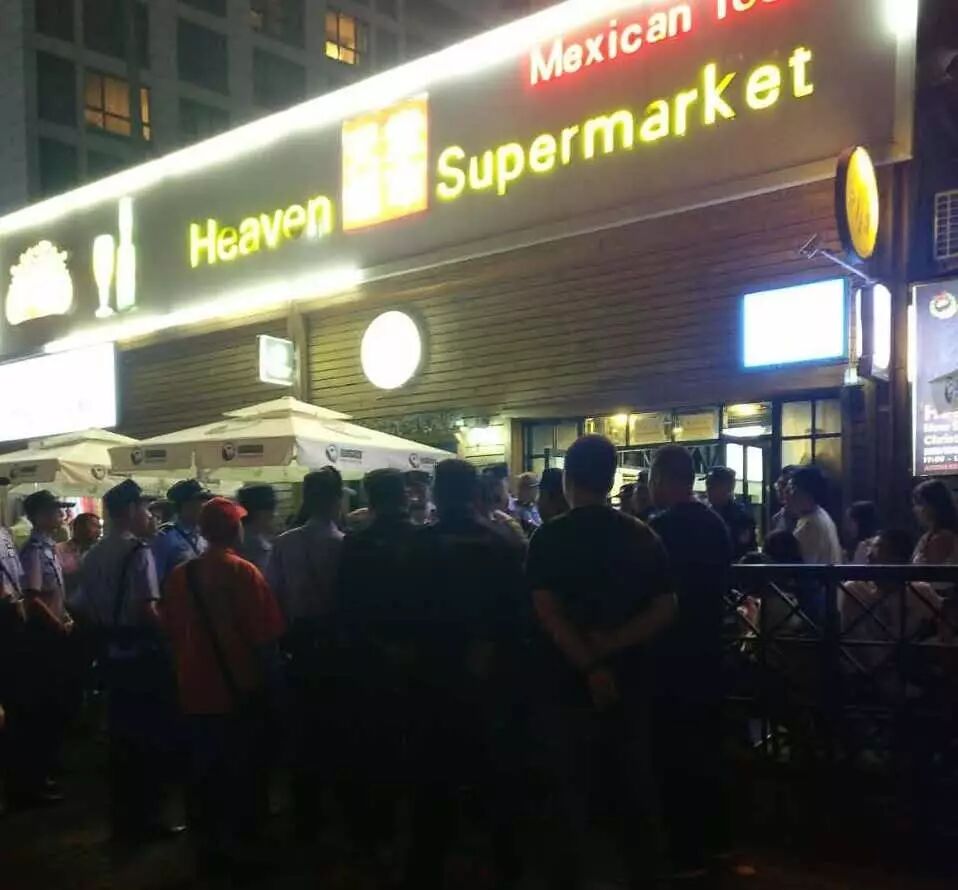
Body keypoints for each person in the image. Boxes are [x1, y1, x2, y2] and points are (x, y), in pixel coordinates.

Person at [528, 435, 675, 890]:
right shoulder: (643, 536)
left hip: (565, 683)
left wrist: (590, 665)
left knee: (570, 793)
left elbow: (548, 612)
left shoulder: (548, 537)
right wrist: (612, 644)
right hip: (630, 681)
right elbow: (665, 607)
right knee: (634, 788)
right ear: (611, 480)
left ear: (568, 480)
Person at [403, 459, 528, 890]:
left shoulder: (418, 546)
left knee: (432, 786)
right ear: (476, 494)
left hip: (432, 679)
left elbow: (404, 616)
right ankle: (507, 865)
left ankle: (426, 870)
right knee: (495, 781)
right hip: (489, 680)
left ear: (437, 494)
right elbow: (518, 618)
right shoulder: (502, 543)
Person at [162, 497, 285, 876]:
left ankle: (207, 848)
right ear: (234, 530)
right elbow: (265, 639)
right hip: (238, 691)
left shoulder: (180, 576)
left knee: (203, 775)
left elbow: (170, 630)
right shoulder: (244, 573)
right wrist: (275, 691)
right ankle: (241, 852)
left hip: (193, 690)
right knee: (242, 775)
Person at [73, 479, 182, 843]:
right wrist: (173, 638)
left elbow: (81, 606)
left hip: (110, 655)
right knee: (150, 739)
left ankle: (123, 818)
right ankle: (149, 817)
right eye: (146, 509)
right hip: (142, 657)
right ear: (130, 510)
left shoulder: (92, 555)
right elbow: (148, 609)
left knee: (120, 740)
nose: (150, 516)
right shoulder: (139, 552)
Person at [649, 445, 734, 878]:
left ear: (663, 479)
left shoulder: (660, 529)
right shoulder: (715, 523)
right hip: (710, 646)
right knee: (707, 748)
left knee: (674, 753)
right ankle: (715, 842)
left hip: (670, 652)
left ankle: (683, 850)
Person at [335, 469, 419, 861]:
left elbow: (346, 607)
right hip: (420, 659)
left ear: (371, 500)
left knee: (374, 748)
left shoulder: (355, 545)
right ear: (403, 496)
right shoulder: (423, 539)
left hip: (370, 660)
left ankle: (374, 832)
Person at [267, 468, 345, 839]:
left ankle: (306, 810)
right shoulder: (346, 544)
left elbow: (273, 595)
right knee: (335, 725)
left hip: (296, 644)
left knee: (302, 729)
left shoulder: (285, 543)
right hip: (335, 645)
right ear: (335, 500)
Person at [10, 490, 73, 808]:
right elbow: (33, 598)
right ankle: (33, 779)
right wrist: (57, 623)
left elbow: (54, 594)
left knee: (53, 705)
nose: (59, 514)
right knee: (41, 708)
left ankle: (45, 769)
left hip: (54, 633)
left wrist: (66, 616)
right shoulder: (34, 550)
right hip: (42, 638)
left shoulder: (49, 547)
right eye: (53, 510)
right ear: (36, 516)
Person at [152, 479, 213, 586]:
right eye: (200, 501)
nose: (205, 505)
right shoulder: (166, 538)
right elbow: (156, 579)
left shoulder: (205, 536)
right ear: (185, 505)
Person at [786, 466, 842, 564]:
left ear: (806, 493)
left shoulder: (810, 525)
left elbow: (804, 567)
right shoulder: (821, 515)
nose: (788, 495)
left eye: (791, 488)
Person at [707, 466, 757, 560]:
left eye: (714, 485)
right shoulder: (704, 513)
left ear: (729, 487)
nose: (708, 489)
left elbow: (744, 550)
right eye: (708, 484)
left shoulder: (741, 517)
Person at [912, 480, 958, 565]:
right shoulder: (928, 536)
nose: (915, 509)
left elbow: (934, 572)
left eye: (920, 504)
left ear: (934, 505)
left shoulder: (942, 538)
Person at [58, 512, 102, 602]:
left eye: (99, 527)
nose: (98, 531)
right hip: (65, 603)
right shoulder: (59, 550)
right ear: (79, 527)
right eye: (94, 526)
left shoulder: (100, 552)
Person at [479, 471, 527, 548]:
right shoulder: (482, 511)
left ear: (506, 484)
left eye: (496, 483)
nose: (493, 489)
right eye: (490, 485)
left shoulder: (523, 508)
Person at [236, 485, 277, 574]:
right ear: (260, 513)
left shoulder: (237, 537)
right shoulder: (253, 545)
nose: (274, 515)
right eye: (271, 510)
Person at [769, 465, 799, 534]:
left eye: (784, 485)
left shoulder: (807, 518)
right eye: (778, 484)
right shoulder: (777, 518)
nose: (779, 489)